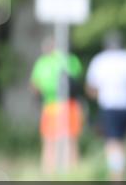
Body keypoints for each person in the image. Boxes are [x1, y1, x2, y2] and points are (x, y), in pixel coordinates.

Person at [86, 31, 126, 182]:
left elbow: (91, 89)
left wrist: (99, 96)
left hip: (109, 105)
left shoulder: (100, 60)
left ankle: (117, 179)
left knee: (112, 143)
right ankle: (122, 176)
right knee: (123, 142)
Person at [30, 37, 85, 175]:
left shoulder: (42, 62)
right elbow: (77, 76)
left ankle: (48, 173)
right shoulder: (70, 59)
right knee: (70, 140)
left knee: (49, 141)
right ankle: (73, 173)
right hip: (69, 104)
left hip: (51, 105)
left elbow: (35, 86)